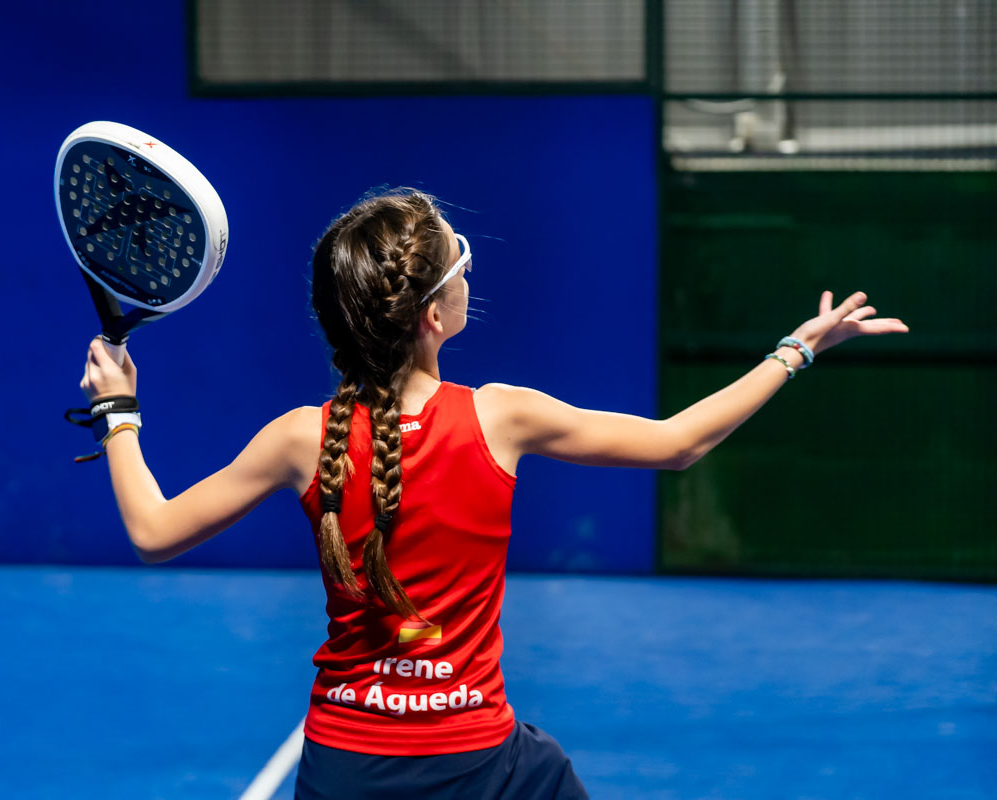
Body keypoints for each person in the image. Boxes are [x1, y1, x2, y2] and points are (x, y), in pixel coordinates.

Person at [77, 188, 908, 798]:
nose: (470, 272)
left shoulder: (300, 436)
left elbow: (152, 530)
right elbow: (680, 442)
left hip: (343, 769)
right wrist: (795, 350)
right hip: (483, 769)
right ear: (434, 316)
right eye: (461, 264)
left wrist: (119, 411)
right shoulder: (501, 417)